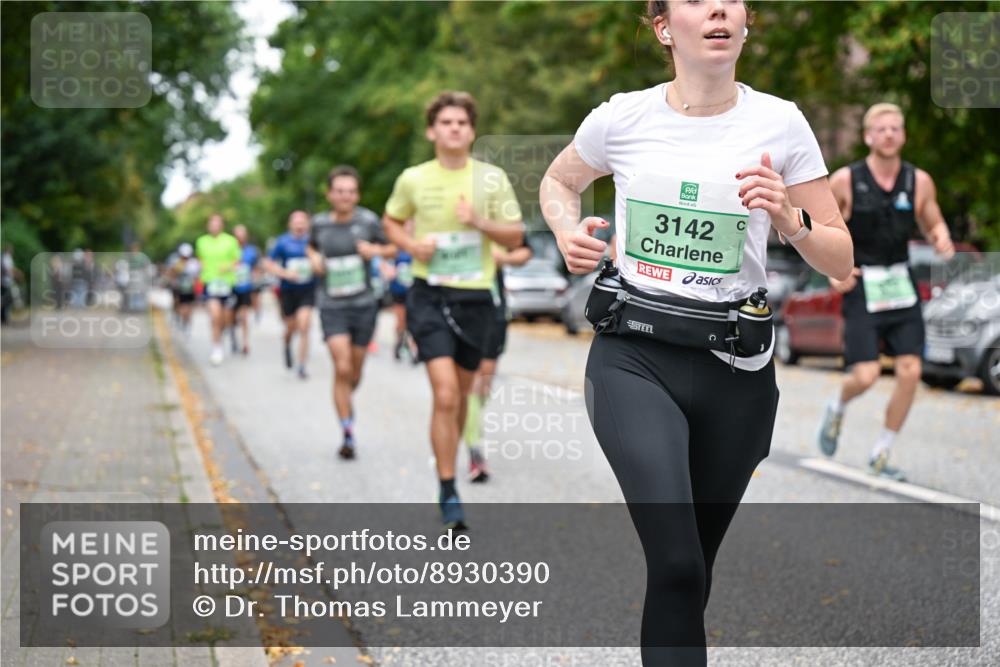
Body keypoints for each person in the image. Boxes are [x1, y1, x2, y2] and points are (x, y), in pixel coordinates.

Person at [539, 1, 853, 664]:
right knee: (678, 564)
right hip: (634, 358)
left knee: (691, 575)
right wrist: (567, 229)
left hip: (736, 373)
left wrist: (791, 219)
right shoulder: (622, 117)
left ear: (744, 24)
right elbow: (559, 181)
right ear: (662, 28)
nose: (717, 7)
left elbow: (841, 257)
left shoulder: (781, 123)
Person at [383, 91, 524, 530]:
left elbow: (515, 237)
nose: (454, 128)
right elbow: (391, 219)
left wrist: (479, 222)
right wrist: (409, 245)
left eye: (462, 122)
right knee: (444, 393)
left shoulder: (491, 179)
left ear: (472, 130)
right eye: (446, 122)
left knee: (461, 394)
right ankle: (448, 487)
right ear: (432, 130)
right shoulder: (413, 179)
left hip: (476, 297)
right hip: (428, 293)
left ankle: (453, 461)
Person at [818, 102, 955, 481]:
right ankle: (837, 405)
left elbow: (934, 222)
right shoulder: (846, 180)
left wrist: (942, 238)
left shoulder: (919, 181)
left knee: (910, 371)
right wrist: (833, 272)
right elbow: (823, 230)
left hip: (901, 283)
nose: (890, 134)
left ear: (904, 135)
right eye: (882, 128)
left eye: (896, 128)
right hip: (862, 283)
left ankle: (881, 451)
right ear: (867, 136)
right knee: (866, 375)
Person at [307, 165, 396, 460]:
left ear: (356, 194)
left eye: (351, 192)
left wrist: (376, 252)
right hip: (331, 304)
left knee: (355, 372)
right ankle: (347, 431)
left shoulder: (369, 221)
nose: (346, 196)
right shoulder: (319, 224)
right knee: (342, 367)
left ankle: (346, 397)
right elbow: (310, 248)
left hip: (363, 304)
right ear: (330, 194)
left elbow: (394, 247)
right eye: (340, 191)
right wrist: (315, 259)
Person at [462, 241, 533, 482]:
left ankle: (468, 419)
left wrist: (502, 258)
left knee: (484, 383)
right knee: (471, 381)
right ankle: (474, 449)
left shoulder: (497, 223)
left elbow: (524, 250)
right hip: (462, 307)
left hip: (494, 312)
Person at [266, 211, 316, 379]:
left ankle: (301, 365)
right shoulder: (282, 242)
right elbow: (268, 264)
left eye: (303, 222)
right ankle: (287, 343)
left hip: (308, 289)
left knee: (304, 325)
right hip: (288, 291)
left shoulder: (313, 241)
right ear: (290, 224)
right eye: (297, 222)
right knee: (291, 327)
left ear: (307, 224)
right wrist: (286, 273)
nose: (300, 225)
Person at [195, 214, 241, 366]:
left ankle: (223, 331)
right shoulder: (201, 241)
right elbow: (200, 260)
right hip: (210, 284)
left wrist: (227, 267)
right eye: (211, 223)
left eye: (217, 223)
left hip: (227, 284)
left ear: (222, 225)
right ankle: (217, 348)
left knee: (226, 319)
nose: (214, 226)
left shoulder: (231, 241)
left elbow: (237, 261)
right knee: (215, 316)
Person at [230, 225, 260, 355]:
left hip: (245, 287)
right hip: (230, 287)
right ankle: (232, 335)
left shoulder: (252, 251)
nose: (240, 238)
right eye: (237, 235)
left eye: (242, 235)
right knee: (230, 317)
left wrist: (255, 275)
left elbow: (257, 267)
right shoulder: (228, 250)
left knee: (244, 316)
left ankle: (245, 342)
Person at [169, 243, 200, 335]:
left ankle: (187, 323)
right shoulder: (176, 262)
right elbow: (172, 274)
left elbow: (197, 277)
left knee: (189, 307)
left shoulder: (194, 263)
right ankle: (180, 318)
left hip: (190, 290)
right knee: (180, 305)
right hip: (179, 289)